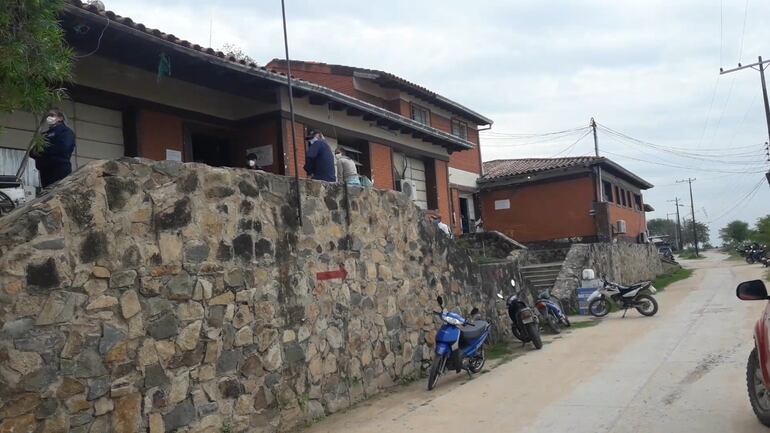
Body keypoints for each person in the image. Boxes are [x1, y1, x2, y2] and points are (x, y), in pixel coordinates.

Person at [31, 109, 76, 188]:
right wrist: (41, 151)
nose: (49, 117)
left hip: (59, 169)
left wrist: (43, 151)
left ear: (60, 118)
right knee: (46, 195)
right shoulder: (44, 134)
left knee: (58, 193)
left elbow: (63, 147)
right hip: (45, 170)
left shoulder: (65, 131)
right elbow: (32, 152)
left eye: (52, 115)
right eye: (48, 115)